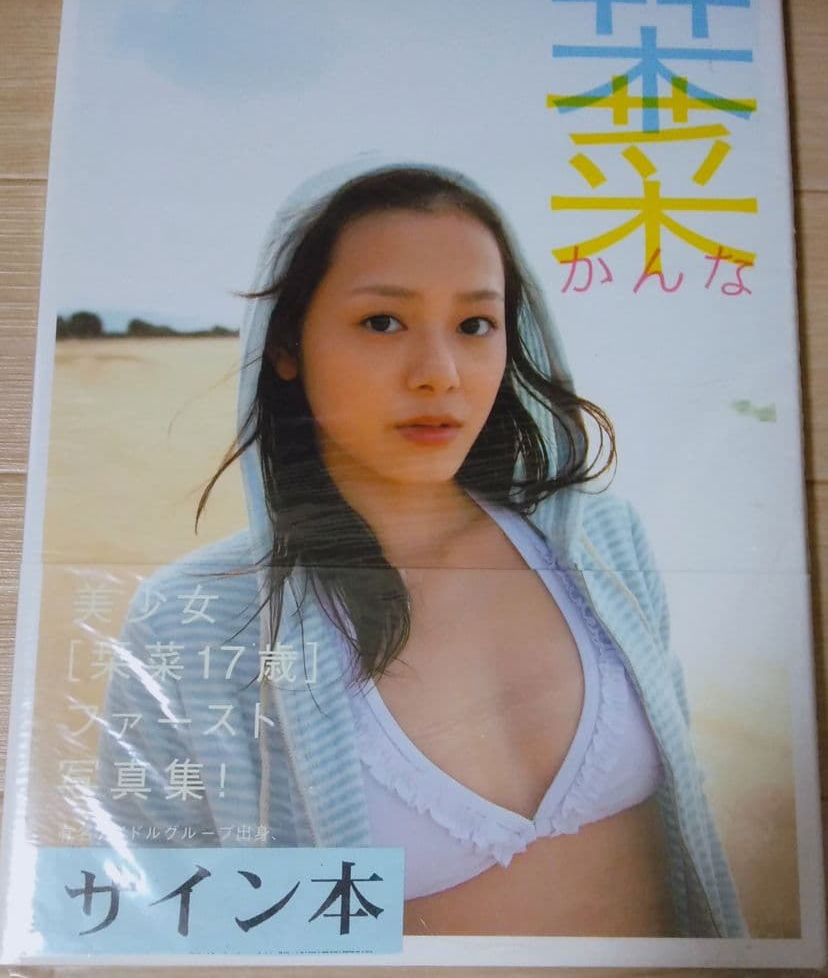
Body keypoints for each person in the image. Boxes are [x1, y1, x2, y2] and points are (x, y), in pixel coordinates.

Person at [96, 163, 744, 938]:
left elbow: (687, 820)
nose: (440, 375)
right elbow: (154, 909)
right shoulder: (198, 618)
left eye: (475, 325)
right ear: (287, 345)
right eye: (383, 322)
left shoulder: (601, 540)